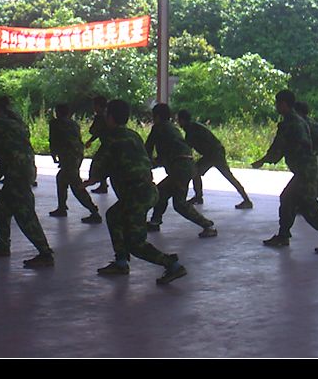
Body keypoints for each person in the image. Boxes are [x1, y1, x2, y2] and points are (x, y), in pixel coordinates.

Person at [83, 99, 187, 285]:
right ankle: (121, 262)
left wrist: (91, 180)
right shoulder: (133, 135)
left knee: (136, 244)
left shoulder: (111, 138)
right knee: (113, 215)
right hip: (147, 190)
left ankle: (172, 265)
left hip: (136, 195)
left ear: (110, 117)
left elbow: (100, 163)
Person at [252, 90, 318, 255]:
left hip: (305, 172)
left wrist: (263, 161)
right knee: (287, 198)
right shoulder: (298, 120)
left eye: (278, 103)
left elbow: (277, 149)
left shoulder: (290, 123)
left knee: (310, 210)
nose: (276, 106)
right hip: (306, 170)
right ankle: (283, 236)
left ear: (284, 104)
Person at [0, 101, 54, 268]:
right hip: (27, 169)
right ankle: (3, 245)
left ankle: (45, 253)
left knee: (24, 213)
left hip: (16, 174)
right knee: (2, 208)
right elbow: (9, 155)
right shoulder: (18, 125)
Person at [145, 104, 217, 237]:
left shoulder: (158, 128)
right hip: (187, 166)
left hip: (180, 168)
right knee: (161, 193)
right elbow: (169, 153)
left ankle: (208, 225)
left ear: (157, 117)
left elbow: (147, 150)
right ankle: (155, 222)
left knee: (179, 204)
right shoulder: (173, 128)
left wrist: (145, 164)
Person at [177, 109, 253, 209]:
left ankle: (247, 201)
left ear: (182, 120)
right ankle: (198, 197)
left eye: (178, 120)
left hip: (214, 154)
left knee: (226, 176)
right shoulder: (193, 127)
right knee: (197, 172)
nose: (178, 122)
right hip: (212, 153)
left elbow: (187, 148)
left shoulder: (191, 130)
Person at [48, 103, 102, 224]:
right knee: (61, 178)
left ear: (57, 113)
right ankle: (62, 208)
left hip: (68, 156)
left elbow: (53, 140)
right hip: (77, 154)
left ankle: (94, 211)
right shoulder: (74, 124)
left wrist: (54, 156)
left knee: (75, 184)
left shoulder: (55, 123)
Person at [84, 96, 109, 194]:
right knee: (104, 163)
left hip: (107, 144)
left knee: (98, 162)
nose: (93, 107)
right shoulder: (108, 115)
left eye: (94, 105)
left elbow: (95, 131)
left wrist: (90, 140)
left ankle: (97, 182)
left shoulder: (100, 116)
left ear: (98, 105)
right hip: (109, 143)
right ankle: (103, 185)